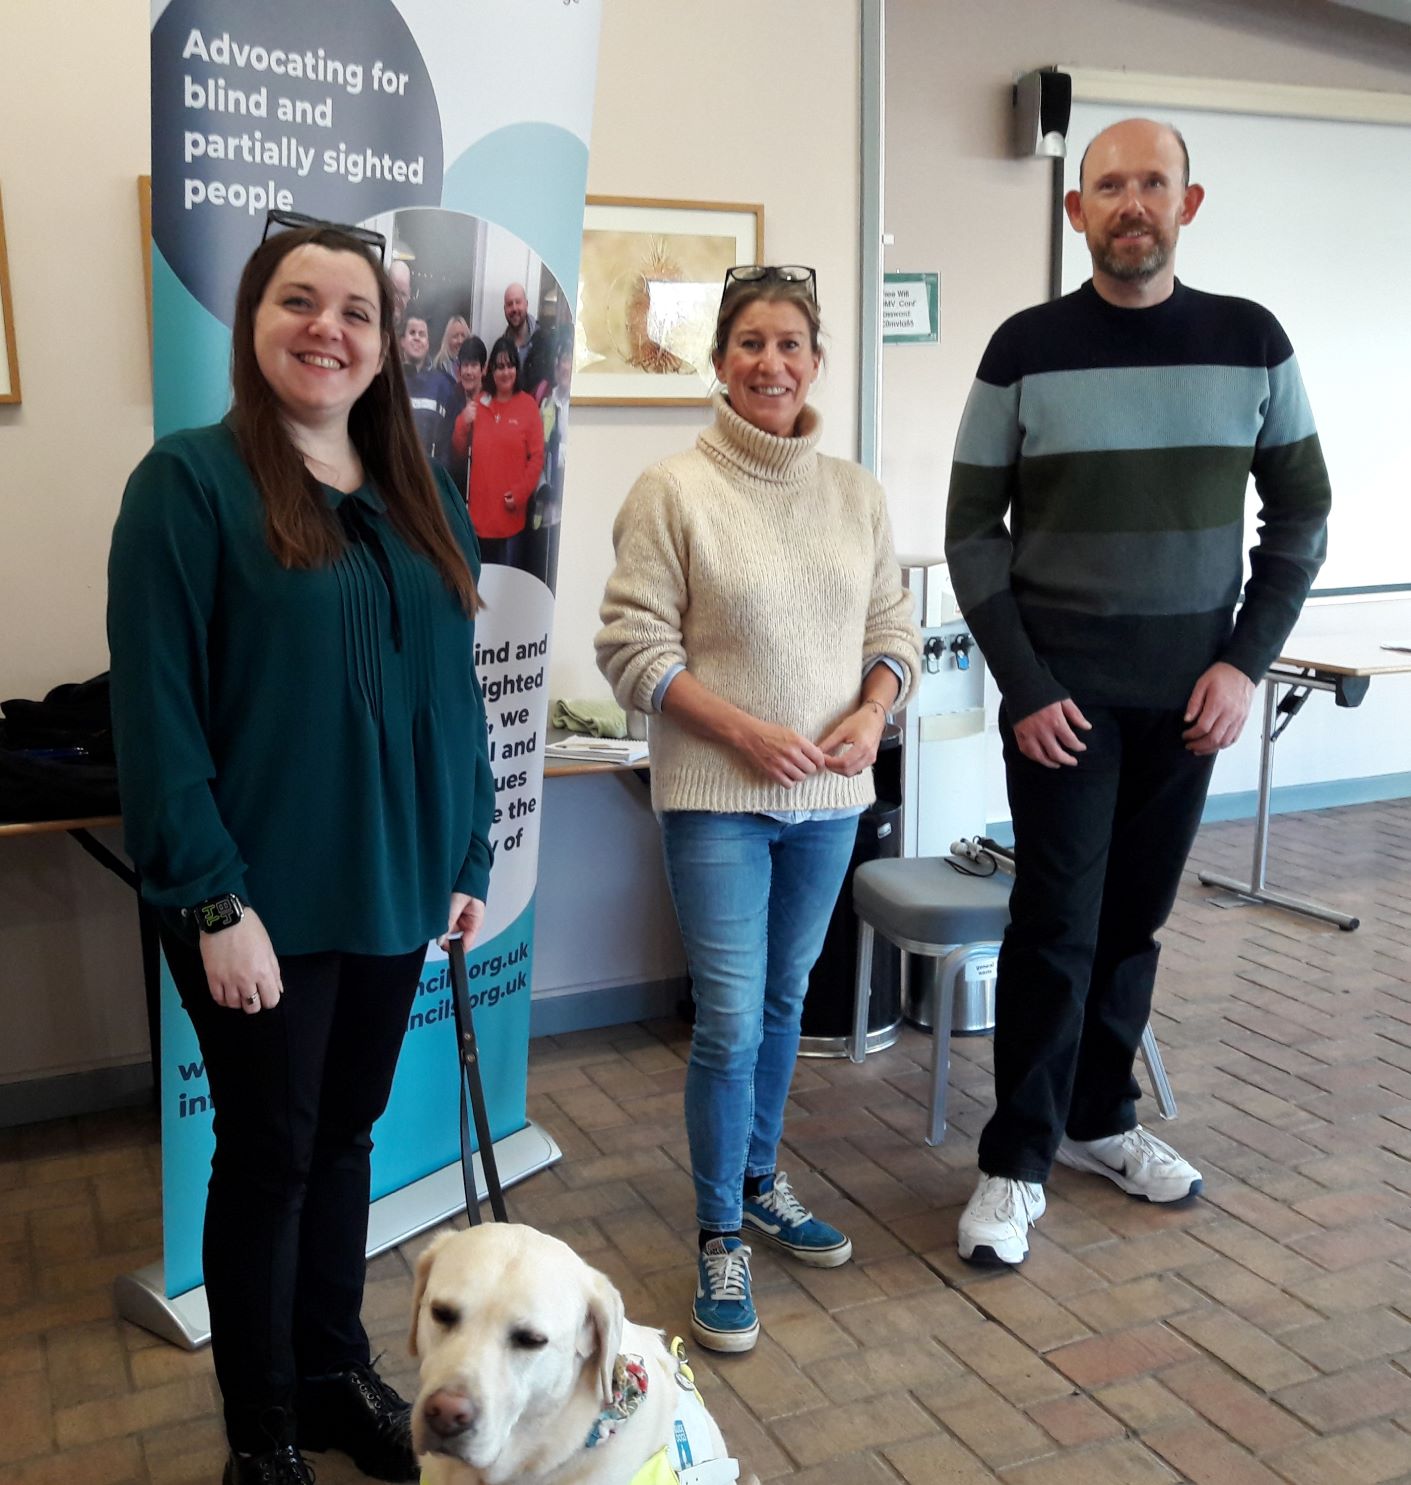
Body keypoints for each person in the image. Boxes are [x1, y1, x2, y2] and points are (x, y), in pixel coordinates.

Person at [107, 218, 495, 1485]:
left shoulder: (420, 491)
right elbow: (156, 716)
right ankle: (262, 1430)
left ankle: (331, 1376)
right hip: (257, 898)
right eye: (298, 301)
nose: (327, 327)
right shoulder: (190, 483)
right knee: (271, 1155)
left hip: (394, 885)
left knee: (346, 1140)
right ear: (253, 323)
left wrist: (470, 851)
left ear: (387, 348)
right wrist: (213, 901)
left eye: (356, 311)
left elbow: (456, 692)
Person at [944, 118, 1331, 1267]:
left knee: (1132, 925)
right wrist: (1021, 683)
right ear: (1076, 212)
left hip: (1188, 701)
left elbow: (1301, 518)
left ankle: (1101, 1121)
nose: (1130, 203)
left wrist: (1242, 663)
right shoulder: (1024, 348)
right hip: (1061, 702)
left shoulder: (1250, 341)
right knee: (1055, 925)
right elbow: (971, 530)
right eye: (1107, 185)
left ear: (1187, 203)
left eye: (1150, 183)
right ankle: (1013, 1162)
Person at [596, 265, 920, 1353]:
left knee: (785, 1001)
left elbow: (894, 634)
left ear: (816, 361)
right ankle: (719, 1231)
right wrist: (739, 731)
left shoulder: (856, 494)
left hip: (831, 794)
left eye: (790, 344)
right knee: (729, 1020)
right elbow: (632, 649)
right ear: (719, 361)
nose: (771, 363)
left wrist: (874, 712)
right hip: (715, 798)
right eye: (749, 344)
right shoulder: (671, 491)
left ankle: (762, 1179)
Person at [461, 333, 544, 568]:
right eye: (499, 367)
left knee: (506, 591)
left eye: (509, 366)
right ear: (491, 371)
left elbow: (537, 458)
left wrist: (520, 493)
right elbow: (458, 446)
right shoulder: (480, 401)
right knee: (480, 590)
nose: (504, 372)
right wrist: (462, 422)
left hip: (510, 521)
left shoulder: (528, 406)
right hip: (477, 522)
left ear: (516, 369)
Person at [401, 310, 452, 464]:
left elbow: (447, 442)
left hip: (428, 477)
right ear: (402, 341)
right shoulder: (389, 380)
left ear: (428, 344)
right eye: (412, 332)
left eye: (422, 334)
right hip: (393, 475)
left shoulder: (442, 386)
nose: (417, 337)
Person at [442, 334, 487, 499]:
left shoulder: (493, 401)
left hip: (484, 490)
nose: (468, 371)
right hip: (458, 486)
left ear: (484, 369)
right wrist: (463, 421)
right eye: (465, 365)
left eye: (473, 365)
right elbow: (449, 451)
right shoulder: (452, 399)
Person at [502, 280, 554, 397]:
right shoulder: (501, 348)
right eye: (510, 304)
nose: (514, 308)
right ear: (505, 309)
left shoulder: (545, 342)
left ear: (526, 304)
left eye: (518, 302)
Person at [432, 313, 471, 382]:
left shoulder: (473, 364)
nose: (460, 341)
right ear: (448, 339)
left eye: (463, 335)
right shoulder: (440, 365)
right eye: (455, 336)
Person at [389, 259, 413, 333]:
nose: (397, 299)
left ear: (409, 294)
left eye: (403, 294)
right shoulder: (375, 319)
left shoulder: (413, 327)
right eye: (393, 292)